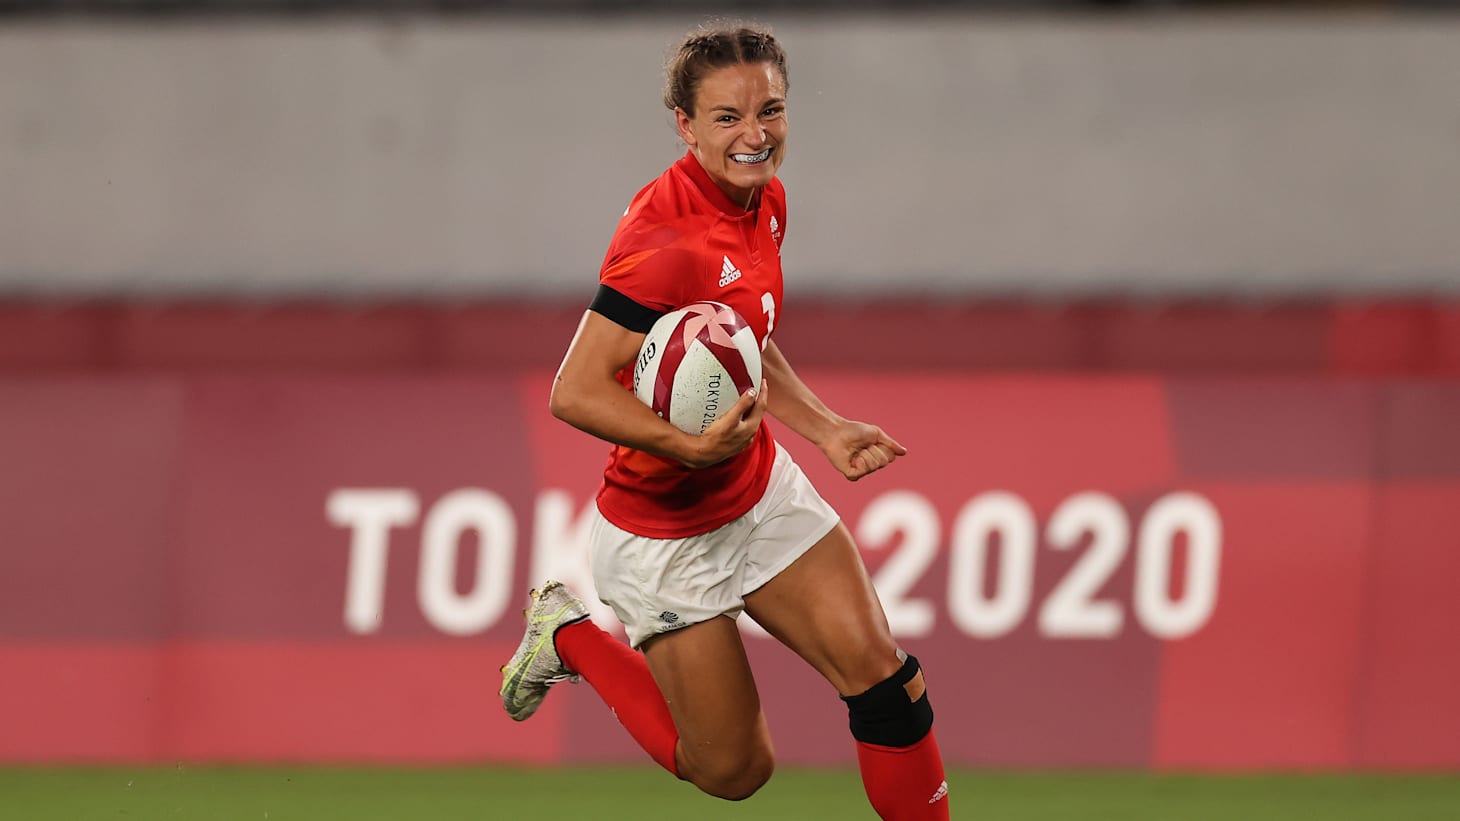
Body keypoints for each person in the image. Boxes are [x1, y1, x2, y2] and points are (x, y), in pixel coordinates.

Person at [500, 23, 950, 821]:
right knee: (735, 769)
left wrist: (826, 427)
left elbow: (740, 343)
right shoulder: (664, 241)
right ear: (685, 124)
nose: (755, 134)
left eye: (769, 110)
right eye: (727, 117)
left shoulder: (765, 200)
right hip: (663, 530)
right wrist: (690, 446)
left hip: (757, 491)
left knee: (886, 678)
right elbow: (574, 390)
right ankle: (566, 633)